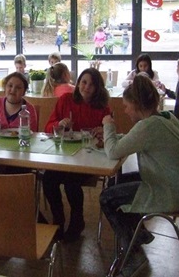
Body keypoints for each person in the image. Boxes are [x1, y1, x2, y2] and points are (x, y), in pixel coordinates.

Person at [100, 75, 179, 276]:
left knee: (107, 197)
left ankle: (133, 253)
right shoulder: (165, 118)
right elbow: (133, 140)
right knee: (116, 183)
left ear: (136, 104)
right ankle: (138, 235)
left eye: (127, 106)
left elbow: (112, 152)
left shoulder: (148, 126)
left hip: (169, 193)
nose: (125, 111)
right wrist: (117, 137)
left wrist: (108, 125)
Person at [43, 68, 110, 242]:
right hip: (64, 156)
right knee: (48, 180)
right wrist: (59, 124)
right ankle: (57, 220)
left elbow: (110, 134)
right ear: (78, 82)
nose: (86, 87)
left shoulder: (102, 108)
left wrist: (103, 131)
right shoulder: (66, 100)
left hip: (89, 160)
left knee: (72, 182)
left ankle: (77, 221)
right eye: (83, 82)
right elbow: (47, 127)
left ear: (97, 88)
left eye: (91, 84)